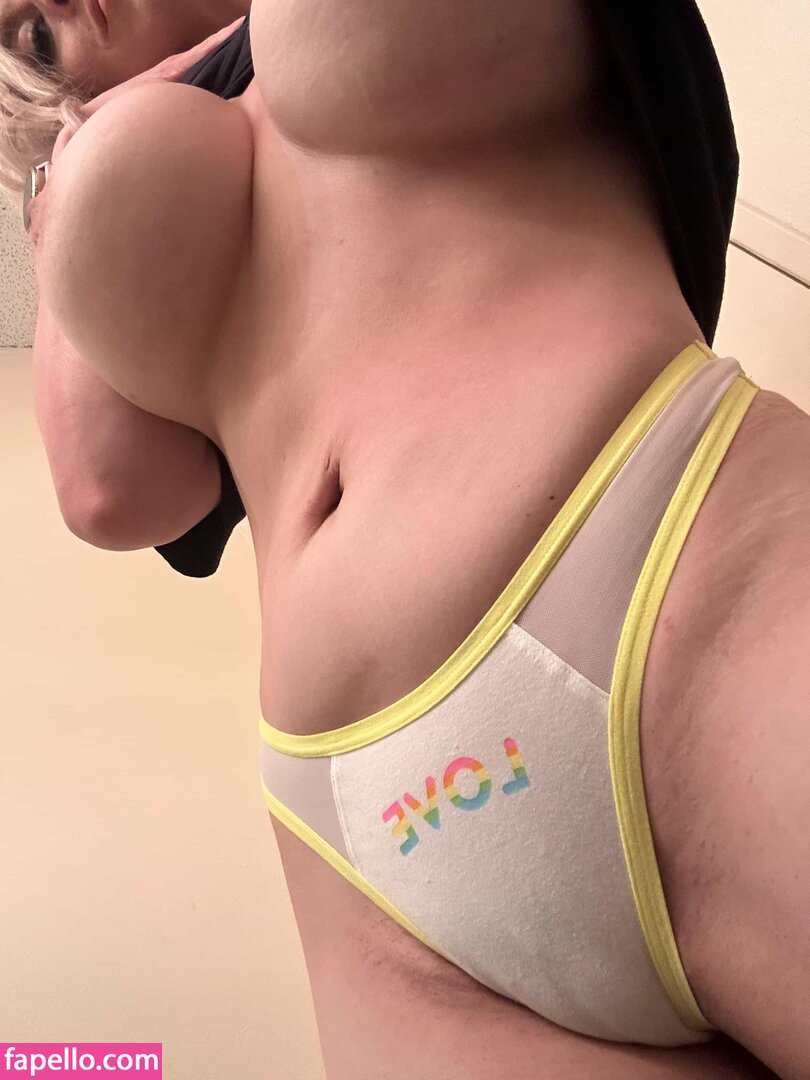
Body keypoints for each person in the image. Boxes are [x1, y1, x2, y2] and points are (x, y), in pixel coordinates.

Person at [4, 2, 808, 1078]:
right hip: (366, 841)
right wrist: (75, 158)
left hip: (660, 559)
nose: (57, 4)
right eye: (34, 40)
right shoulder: (131, 158)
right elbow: (107, 490)